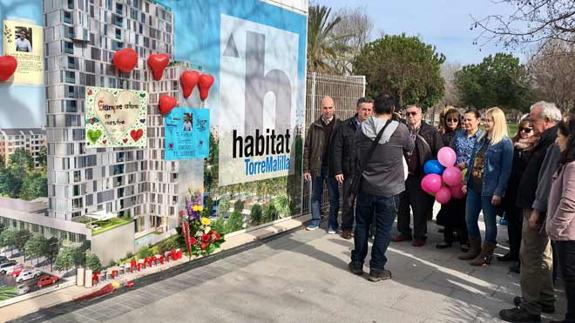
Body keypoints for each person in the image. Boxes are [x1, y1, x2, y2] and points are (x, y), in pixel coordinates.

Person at [499, 101, 562, 323]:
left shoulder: (554, 142)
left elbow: (547, 180)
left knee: (531, 256)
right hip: (538, 205)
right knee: (542, 254)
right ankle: (544, 298)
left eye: (534, 120)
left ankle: (530, 308)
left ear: (547, 120)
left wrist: (537, 210)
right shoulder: (548, 139)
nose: (531, 124)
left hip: (538, 208)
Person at [348, 93, 413, 282]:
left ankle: (357, 263)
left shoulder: (361, 129)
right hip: (390, 191)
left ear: (374, 109)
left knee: (361, 225)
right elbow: (409, 148)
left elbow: (357, 152)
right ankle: (376, 268)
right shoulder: (400, 130)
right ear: (392, 110)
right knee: (384, 230)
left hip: (366, 188)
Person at [459, 107, 513, 266]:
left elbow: (506, 170)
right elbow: (472, 162)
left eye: (489, 120)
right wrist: (466, 181)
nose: (485, 122)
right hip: (474, 187)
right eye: (485, 119)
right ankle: (475, 249)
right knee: (469, 219)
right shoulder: (481, 138)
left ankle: (486, 254)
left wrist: (499, 191)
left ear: (498, 122)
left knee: (490, 224)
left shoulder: (505, 143)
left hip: (490, 190)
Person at [392, 104, 443, 247]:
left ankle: (420, 235)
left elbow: (439, 152)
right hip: (402, 175)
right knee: (402, 206)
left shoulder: (431, 131)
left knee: (419, 207)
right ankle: (404, 231)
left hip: (421, 176)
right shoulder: (401, 130)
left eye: (413, 113)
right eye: (407, 114)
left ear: (421, 114)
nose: (410, 117)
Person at [498, 118, 538, 274]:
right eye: (521, 128)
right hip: (512, 190)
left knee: (523, 227)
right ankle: (513, 252)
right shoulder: (512, 146)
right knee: (512, 224)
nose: (523, 132)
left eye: (528, 129)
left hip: (527, 193)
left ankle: (522, 259)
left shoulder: (535, 148)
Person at [546, 116, 575, 323]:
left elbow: (569, 203)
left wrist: (555, 228)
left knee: (571, 279)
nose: (557, 141)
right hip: (565, 233)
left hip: (568, 235)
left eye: (559, 137)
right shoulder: (568, 162)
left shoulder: (573, 166)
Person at [331, 97, 373, 239]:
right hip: (349, 171)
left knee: (365, 203)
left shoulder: (375, 127)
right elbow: (337, 149)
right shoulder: (345, 126)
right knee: (348, 202)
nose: (367, 112)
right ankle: (347, 228)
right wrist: (338, 170)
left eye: (369, 110)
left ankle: (364, 229)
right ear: (357, 109)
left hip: (367, 173)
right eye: (364, 109)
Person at [303, 96, 341, 233]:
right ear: (321, 109)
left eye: (330, 107)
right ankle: (315, 221)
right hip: (317, 167)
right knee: (315, 195)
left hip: (333, 169)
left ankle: (332, 224)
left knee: (334, 197)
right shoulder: (314, 126)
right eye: (325, 108)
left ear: (334, 108)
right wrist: (306, 169)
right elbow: (307, 147)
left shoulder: (340, 125)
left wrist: (340, 169)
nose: (327, 110)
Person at [435, 108, 467, 250]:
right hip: (447, 175)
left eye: (455, 119)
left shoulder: (461, 135)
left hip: (462, 176)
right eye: (449, 120)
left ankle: (463, 238)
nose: (452, 122)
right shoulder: (443, 135)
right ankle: (447, 237)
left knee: (462, 209)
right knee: (447, 206)